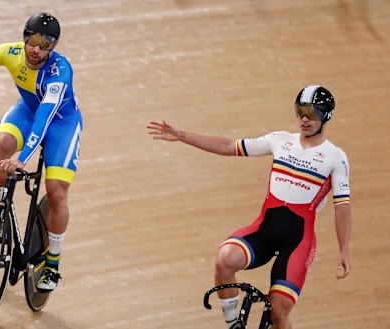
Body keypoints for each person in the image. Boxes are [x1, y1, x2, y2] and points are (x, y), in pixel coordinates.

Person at [147, 85, 351, 329]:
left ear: (326, 114)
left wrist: (343, 250)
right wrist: (182, 136)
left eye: (311, 113)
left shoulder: (334, 157)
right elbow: (229, 146)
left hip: (296, 243)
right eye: (300, 112)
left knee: (278, 314)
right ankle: (234, 326)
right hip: (263, 232)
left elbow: (342, 207)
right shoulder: (280, 140)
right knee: (224, 260)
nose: (304, 119)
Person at [0, 12, 83, 292]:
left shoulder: (60, 73)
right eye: (33, 41)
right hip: (28, 110)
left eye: (46, 45)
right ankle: (1, 213)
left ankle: (53, 264)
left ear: (53, 48)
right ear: (25, 38)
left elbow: (44, 121)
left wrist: (22, 159)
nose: (37, 49)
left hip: (61, 124)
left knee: (57, 190)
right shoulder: (10, 52)